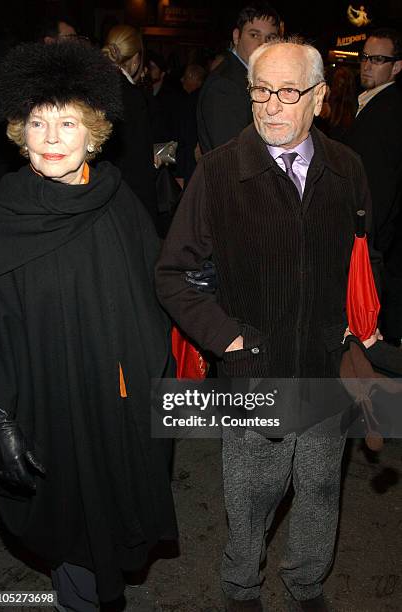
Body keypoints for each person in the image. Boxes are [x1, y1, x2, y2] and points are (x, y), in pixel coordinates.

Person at [156, 38, 381, 612]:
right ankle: (241, 588)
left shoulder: (348, 169)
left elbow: (360, 261)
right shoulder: (221, 173)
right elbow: (173, 274)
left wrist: (358, 328)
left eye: (288, 92)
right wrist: (233, 341)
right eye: (261, 91)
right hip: (254, 375)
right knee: (251, 495)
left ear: (320, 98)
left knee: (321, 493)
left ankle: (306, 583)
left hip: (326, 372)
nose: (271, 107)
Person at [0, 41, 177, 612]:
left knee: (113, 518)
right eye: (38, 122)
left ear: (93, 131)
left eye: (66, 121)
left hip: (115, 404)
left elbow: (152, 291)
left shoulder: (117, 200)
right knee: (74, 533)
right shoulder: (3, 215)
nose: (49, 137)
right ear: (20, 131)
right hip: (46, 409)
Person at [344, 28, 402, 346]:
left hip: (373, 244)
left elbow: (380, 187)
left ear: (396, 67)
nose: (367, 65)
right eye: (365, 57)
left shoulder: (388, 110)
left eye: (378, 59)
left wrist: (362, 240)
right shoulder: (372, 102)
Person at [196, 1, 282, 153]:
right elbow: (233, 156)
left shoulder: (249, 78)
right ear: (237, 37)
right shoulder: (225, 85)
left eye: (270, 38)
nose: (262, 44)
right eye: (254, 35)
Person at [102, 24, 159, 230]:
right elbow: (138, 167)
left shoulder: (94, 87)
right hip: (127, 202)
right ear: (136, 59)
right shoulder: (131, 96)